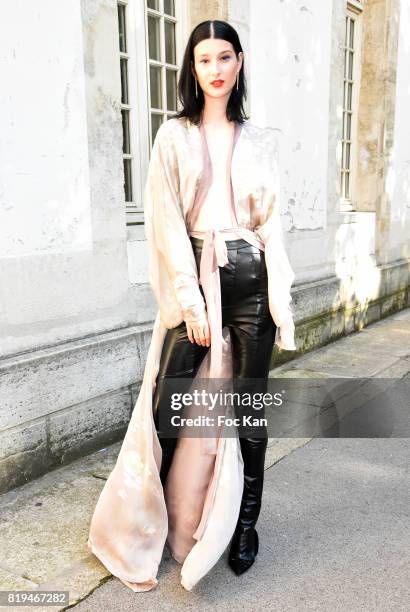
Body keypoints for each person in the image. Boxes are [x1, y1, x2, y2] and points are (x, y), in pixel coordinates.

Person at [87, 19, 296, 593]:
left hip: (251, 281)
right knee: (168, 409)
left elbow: (274, 223)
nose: (216, 70)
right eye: (204, 60)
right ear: (193, 68)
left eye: (224, 57)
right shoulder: (171, 136)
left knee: (249, 411)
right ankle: (144, 529)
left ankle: (245, 524)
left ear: (240, 60)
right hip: (197, 277)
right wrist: (191, 299)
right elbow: (166, 225)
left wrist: (280, 294)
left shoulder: (261, 140)